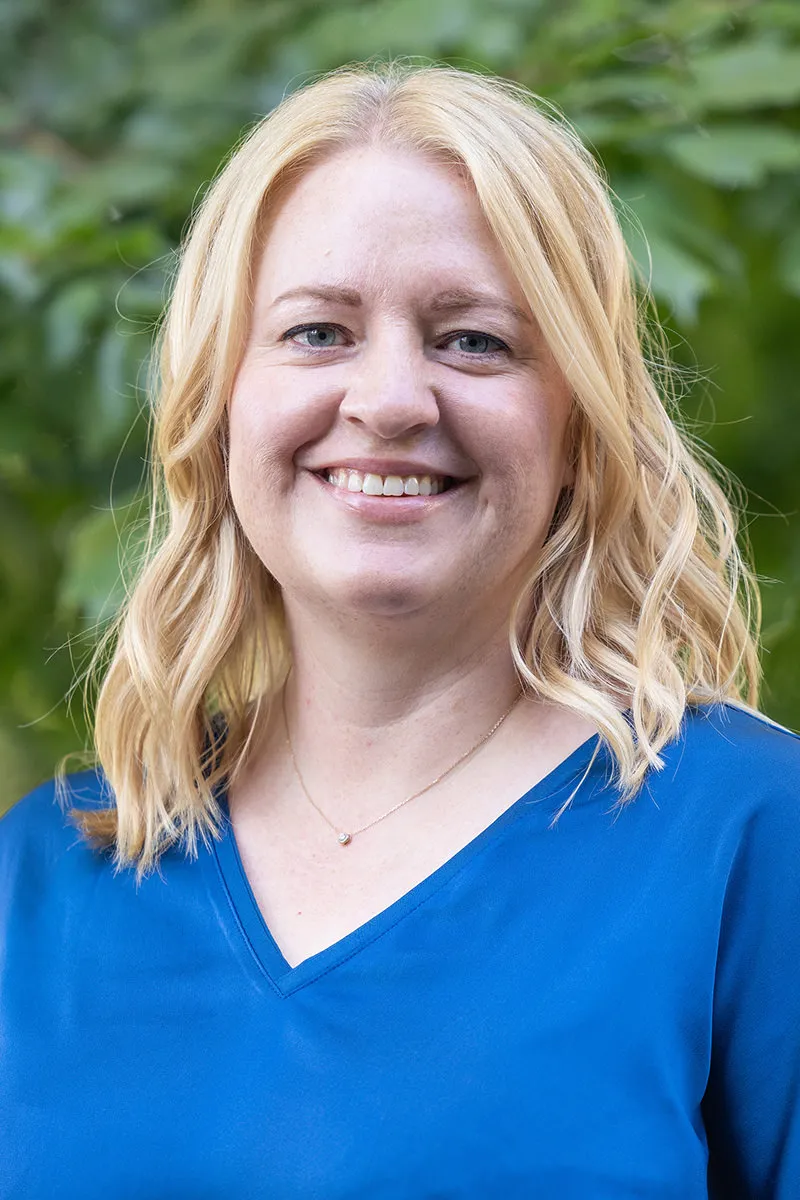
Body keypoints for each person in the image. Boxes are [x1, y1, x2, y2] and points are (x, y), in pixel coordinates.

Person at [1, 60, 798, 1200]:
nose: (388, 402)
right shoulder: (39, 883)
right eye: (317, 332)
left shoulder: (747, 841)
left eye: (473, 341)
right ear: (219, 403)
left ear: (578, 422)